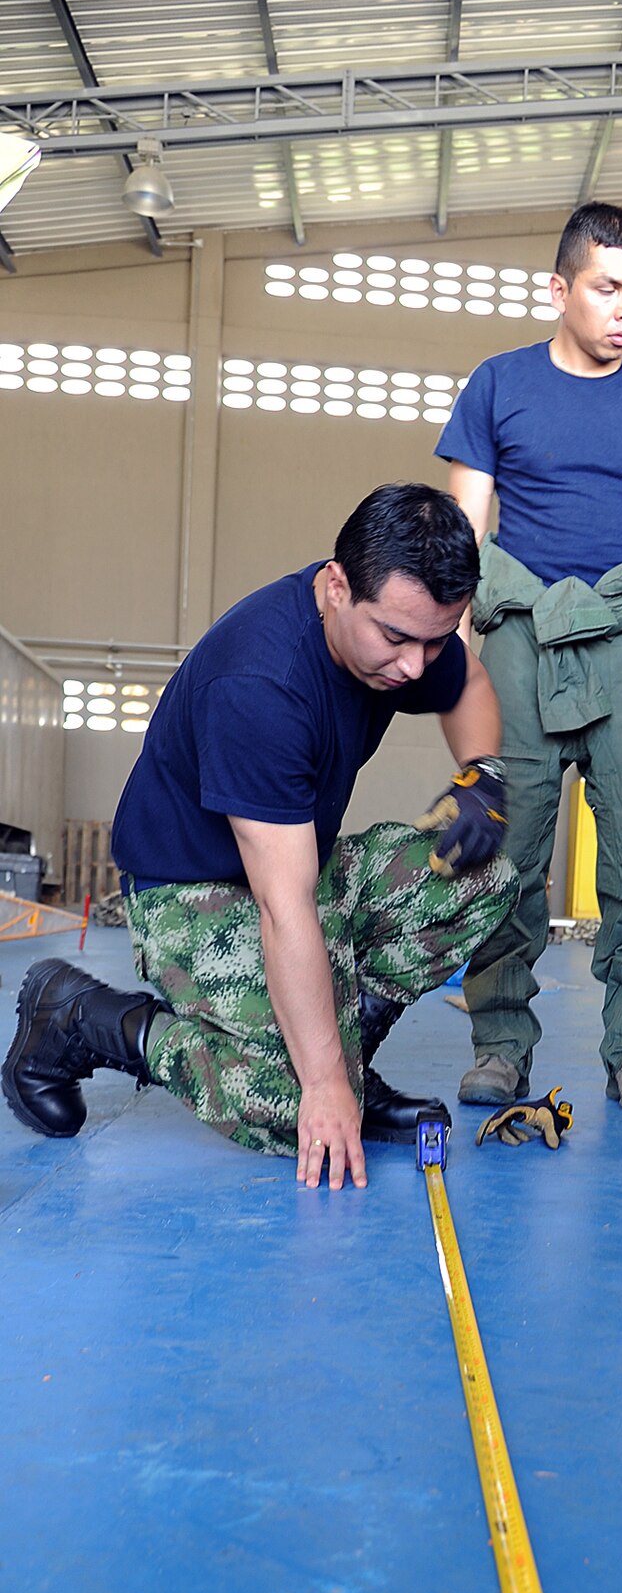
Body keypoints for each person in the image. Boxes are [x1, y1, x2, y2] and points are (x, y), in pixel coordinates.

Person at [2, 484, 519, 1190]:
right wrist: (323, 1086)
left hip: (294, 865)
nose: (413, 668)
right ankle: (85, 1017)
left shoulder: (402, 634)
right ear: (336, 587)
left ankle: (347, 1066)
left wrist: (481, 775)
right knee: (289, 1105)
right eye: (396, 639)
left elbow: (468, 684)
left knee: (482, 876)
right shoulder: (259, 683)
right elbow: (285, 907)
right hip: (191, 889)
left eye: (436, 638)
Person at [435, 200, 622, 1115]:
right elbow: (461, 529)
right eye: (607, 289)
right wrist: (447, 652)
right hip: (518, 630)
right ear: (560, 288)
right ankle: (498, 1044)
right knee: (500, 843)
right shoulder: (497, 384)